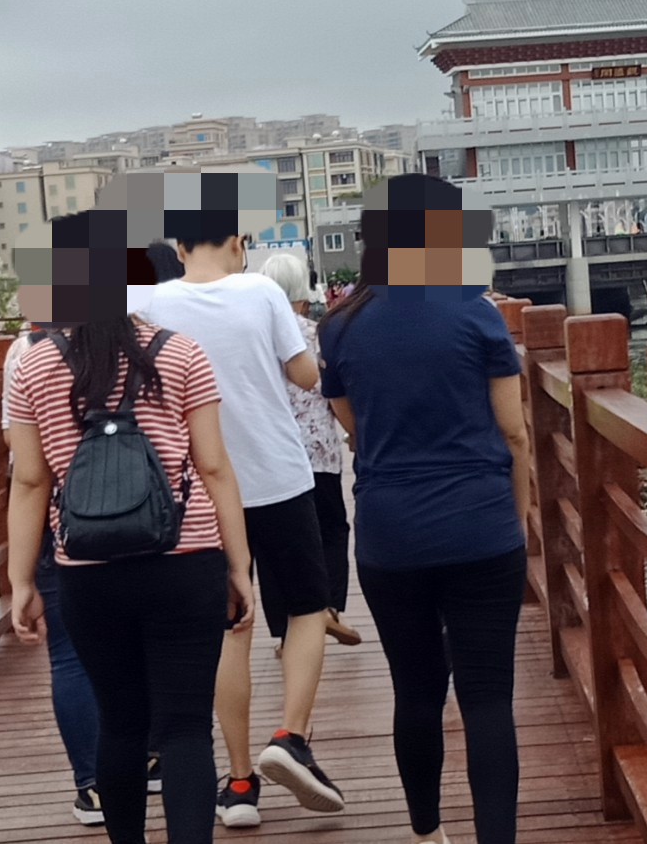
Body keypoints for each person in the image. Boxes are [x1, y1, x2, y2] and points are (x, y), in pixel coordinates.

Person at [7, 210, 255, 844]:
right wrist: (238, 566)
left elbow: (31, 482)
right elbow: (214, 467)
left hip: (88, 570)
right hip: (186, 560)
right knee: (185, 728)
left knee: (120, 724)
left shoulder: (33, 366)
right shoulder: (181, 352)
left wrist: (21, 580)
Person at [318, 174, 533, 844]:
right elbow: (515, 433)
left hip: (391, 533)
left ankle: (426, 833)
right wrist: (518, 521)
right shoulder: (476, 312)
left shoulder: (340, 326)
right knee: (488, 698)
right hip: (482, 525)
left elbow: (353, 426)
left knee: (414, 691)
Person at [139, 220, 345, 829]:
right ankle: (291, 738)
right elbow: (306, 375)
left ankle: (237, 783)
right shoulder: (262, 293)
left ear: (179, 248)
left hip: (201, 489)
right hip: (278, 477)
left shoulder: (153, 304)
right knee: (306, 608)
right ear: (238, 243)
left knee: (232, 625)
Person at [1, 323, 103, 827]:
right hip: (144, 522)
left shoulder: (26, 353)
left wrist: (19, 579)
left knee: (68, 656)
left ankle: (94, 786)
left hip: (60, 522)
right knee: (140, 643)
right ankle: (151, 757)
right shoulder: (151, 341)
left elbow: (22, 458)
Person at [254, 254, 360, 651]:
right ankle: (329, 606)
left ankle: (285, 631)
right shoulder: (317, 334)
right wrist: (354, 432)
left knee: (272, 546)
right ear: (303, 289)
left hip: (270, 455)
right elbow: (334, 392)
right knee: (331, 529)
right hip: (319, 453)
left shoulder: (254, 337)